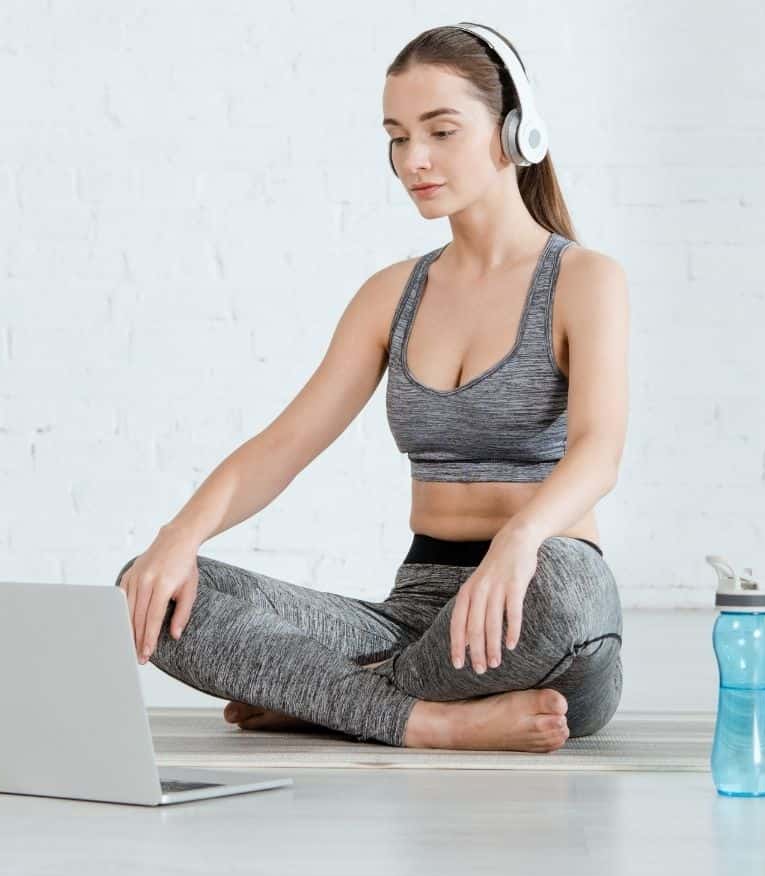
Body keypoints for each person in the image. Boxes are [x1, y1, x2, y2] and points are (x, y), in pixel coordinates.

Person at [113, 23, 629, 751]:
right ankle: (430, 720)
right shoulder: (393, 293)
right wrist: (178, 536)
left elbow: (599, 452)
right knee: (153, 589)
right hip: (415, 614)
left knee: (563, 591)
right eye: (396, 136)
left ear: (516, 132)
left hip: (538, 600)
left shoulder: (585, 281)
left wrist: (520, 540)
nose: (413, 159)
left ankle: (329, 698)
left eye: (441, 131)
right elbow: (285, 445)